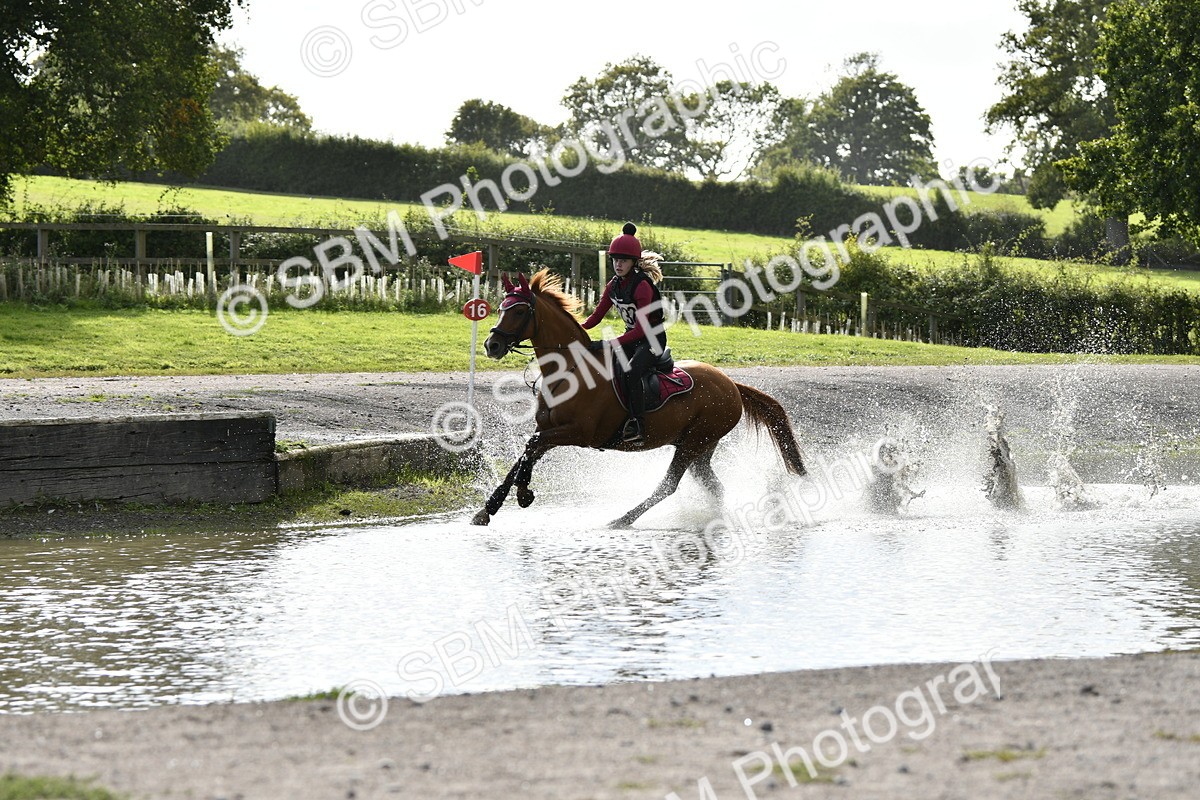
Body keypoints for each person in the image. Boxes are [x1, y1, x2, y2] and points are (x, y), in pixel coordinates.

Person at [581, 222, 666, 446]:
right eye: (615, 260)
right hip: (633, 337)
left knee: (631, 371)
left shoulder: (642, 287)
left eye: (623, 260)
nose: (618, 264)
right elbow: (595, 317)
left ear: (633, 263)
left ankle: (638, 424)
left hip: (651, 340)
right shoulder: (614, 285)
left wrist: (609, 342)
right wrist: (576, 332)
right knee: (604, 366)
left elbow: (641, 329)